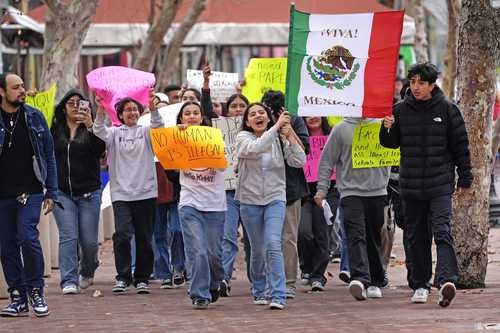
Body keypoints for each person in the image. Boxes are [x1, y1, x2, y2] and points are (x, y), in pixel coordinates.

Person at [380, 62, 473, 307]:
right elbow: (390, 144)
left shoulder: (447, 108)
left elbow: (461, 147)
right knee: (416, 236)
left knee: (442, 230)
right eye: (412, 82)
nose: (416, 87)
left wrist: (465, 178)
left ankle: (446, 280)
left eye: (421, 83)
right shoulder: (400, 110)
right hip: (410, 185)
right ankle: (420, 284)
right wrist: (386, 128)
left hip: (440, 184)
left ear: (432, 84)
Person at [93, 90, 164, 294]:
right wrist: (100, 108)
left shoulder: (146, 131)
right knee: (123, 235)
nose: (131, 112)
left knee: (144, 237)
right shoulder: (114, 133)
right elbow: (98, 130)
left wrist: (153, 107)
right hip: (121, 194)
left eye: (135, 109)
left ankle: (142, 277)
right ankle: (123, 277)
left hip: (146, 192)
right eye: (127, 110)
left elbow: (159, 127)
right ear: (120, 115)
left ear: (140, 112)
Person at [236, 103, 306, 310]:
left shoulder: (278, 138)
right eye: (252, 114)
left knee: (274, 244)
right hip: (250, 201)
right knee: (257, 249)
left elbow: (299, 161)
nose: (257, 116)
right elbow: (255, 149)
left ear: (268, 118)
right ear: (247, 121)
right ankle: (259, 289)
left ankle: (278, 294)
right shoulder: (243, 138)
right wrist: (276, 128)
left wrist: (289, 135)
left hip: (275, 198)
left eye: (261, 113)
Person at [315, 117, 390, 301]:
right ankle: (360, 279)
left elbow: (400, 148)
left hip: (377, 191)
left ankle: (375, 280)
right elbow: (326, 160)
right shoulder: (341, 128)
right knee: (355, 234)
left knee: (373, 236)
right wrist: (322, 189)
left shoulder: (384, 123)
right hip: (350, 192)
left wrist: (390, 129)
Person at [0, 73, 56, 317]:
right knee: (6, 245)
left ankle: (35, 289)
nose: (23, 90)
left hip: (31, 190)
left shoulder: (34, 116)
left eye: (23, 85)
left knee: (27, 236)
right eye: (16, 87)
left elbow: (49, 155)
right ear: (2, 92)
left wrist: (51, 191)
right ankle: (17, 296)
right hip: (3, 194)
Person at [51, 90, 106, 295]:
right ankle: (68, 280)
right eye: (71, 103)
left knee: (89, 242)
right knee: (68, 236)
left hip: (89, 193)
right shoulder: (54, 130)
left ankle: (88, 269)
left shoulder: (92, 129)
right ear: (64, 107)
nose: (76, 106)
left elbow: (100, 150)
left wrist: (91, 125)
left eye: (80, 103)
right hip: (61, 193)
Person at [174, 101, 227, 309]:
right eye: (187, 113)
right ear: (181, 119)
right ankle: (199, 294)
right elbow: (164, 149)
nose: (192, 116)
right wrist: (179, 137)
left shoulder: (216, 138)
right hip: (189, 203)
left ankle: (214, 282)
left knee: (213, 254)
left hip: (215, 205)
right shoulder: (177, 137)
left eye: (196, 113)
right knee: (198, 251)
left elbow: (223, 166)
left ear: (202, 117)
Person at [261, 90, 310, 299]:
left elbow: (303, 152)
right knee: (267, 239)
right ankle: (268, 280)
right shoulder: (258, 122)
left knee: (288, 237)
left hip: (290, 189)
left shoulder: (295, 121)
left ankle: (289, 281)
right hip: (263, 191)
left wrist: (289, 132)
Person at [298, 117, 337, 291]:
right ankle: (306, 267)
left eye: (315, 113)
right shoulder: (297, 137)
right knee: (303, 231)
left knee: (323, 234)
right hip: (304, 193)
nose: (312, 118)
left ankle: (318, 275)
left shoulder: (333, 135)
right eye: (307, 115)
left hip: (330, 191)